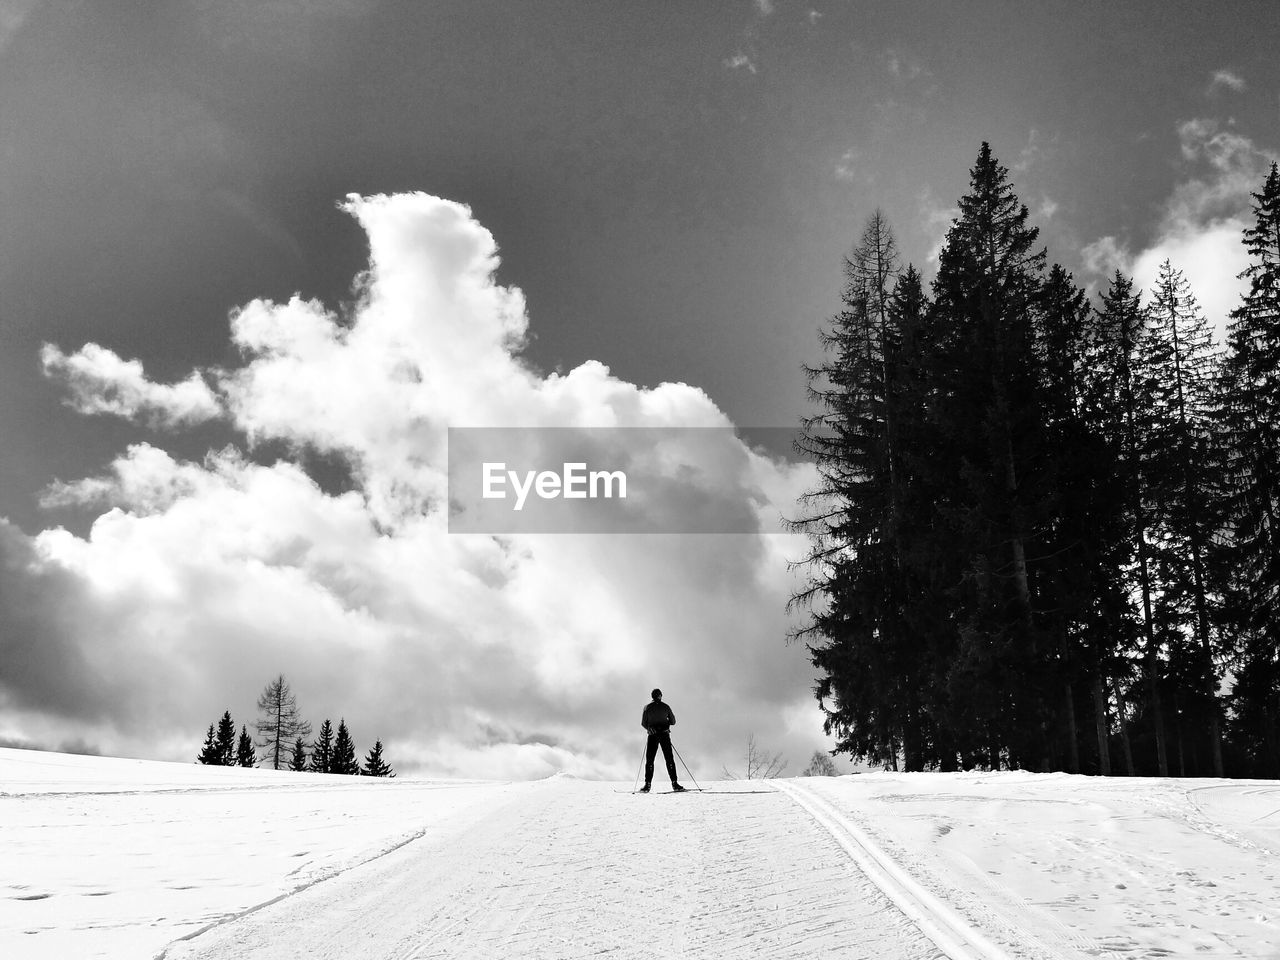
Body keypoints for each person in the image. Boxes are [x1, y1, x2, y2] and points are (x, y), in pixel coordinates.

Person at [640, 688, 685, 792]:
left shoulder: (647, 707)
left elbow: (643, 723)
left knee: (650, 760)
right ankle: (675, 783)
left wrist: (649, 728)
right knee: (669, 759)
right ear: (660, 695)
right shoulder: (666, 706)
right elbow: (673, 722)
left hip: (652, 735)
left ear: (652, 696)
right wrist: (666, 723)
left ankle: (647, 785)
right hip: (664, 735)